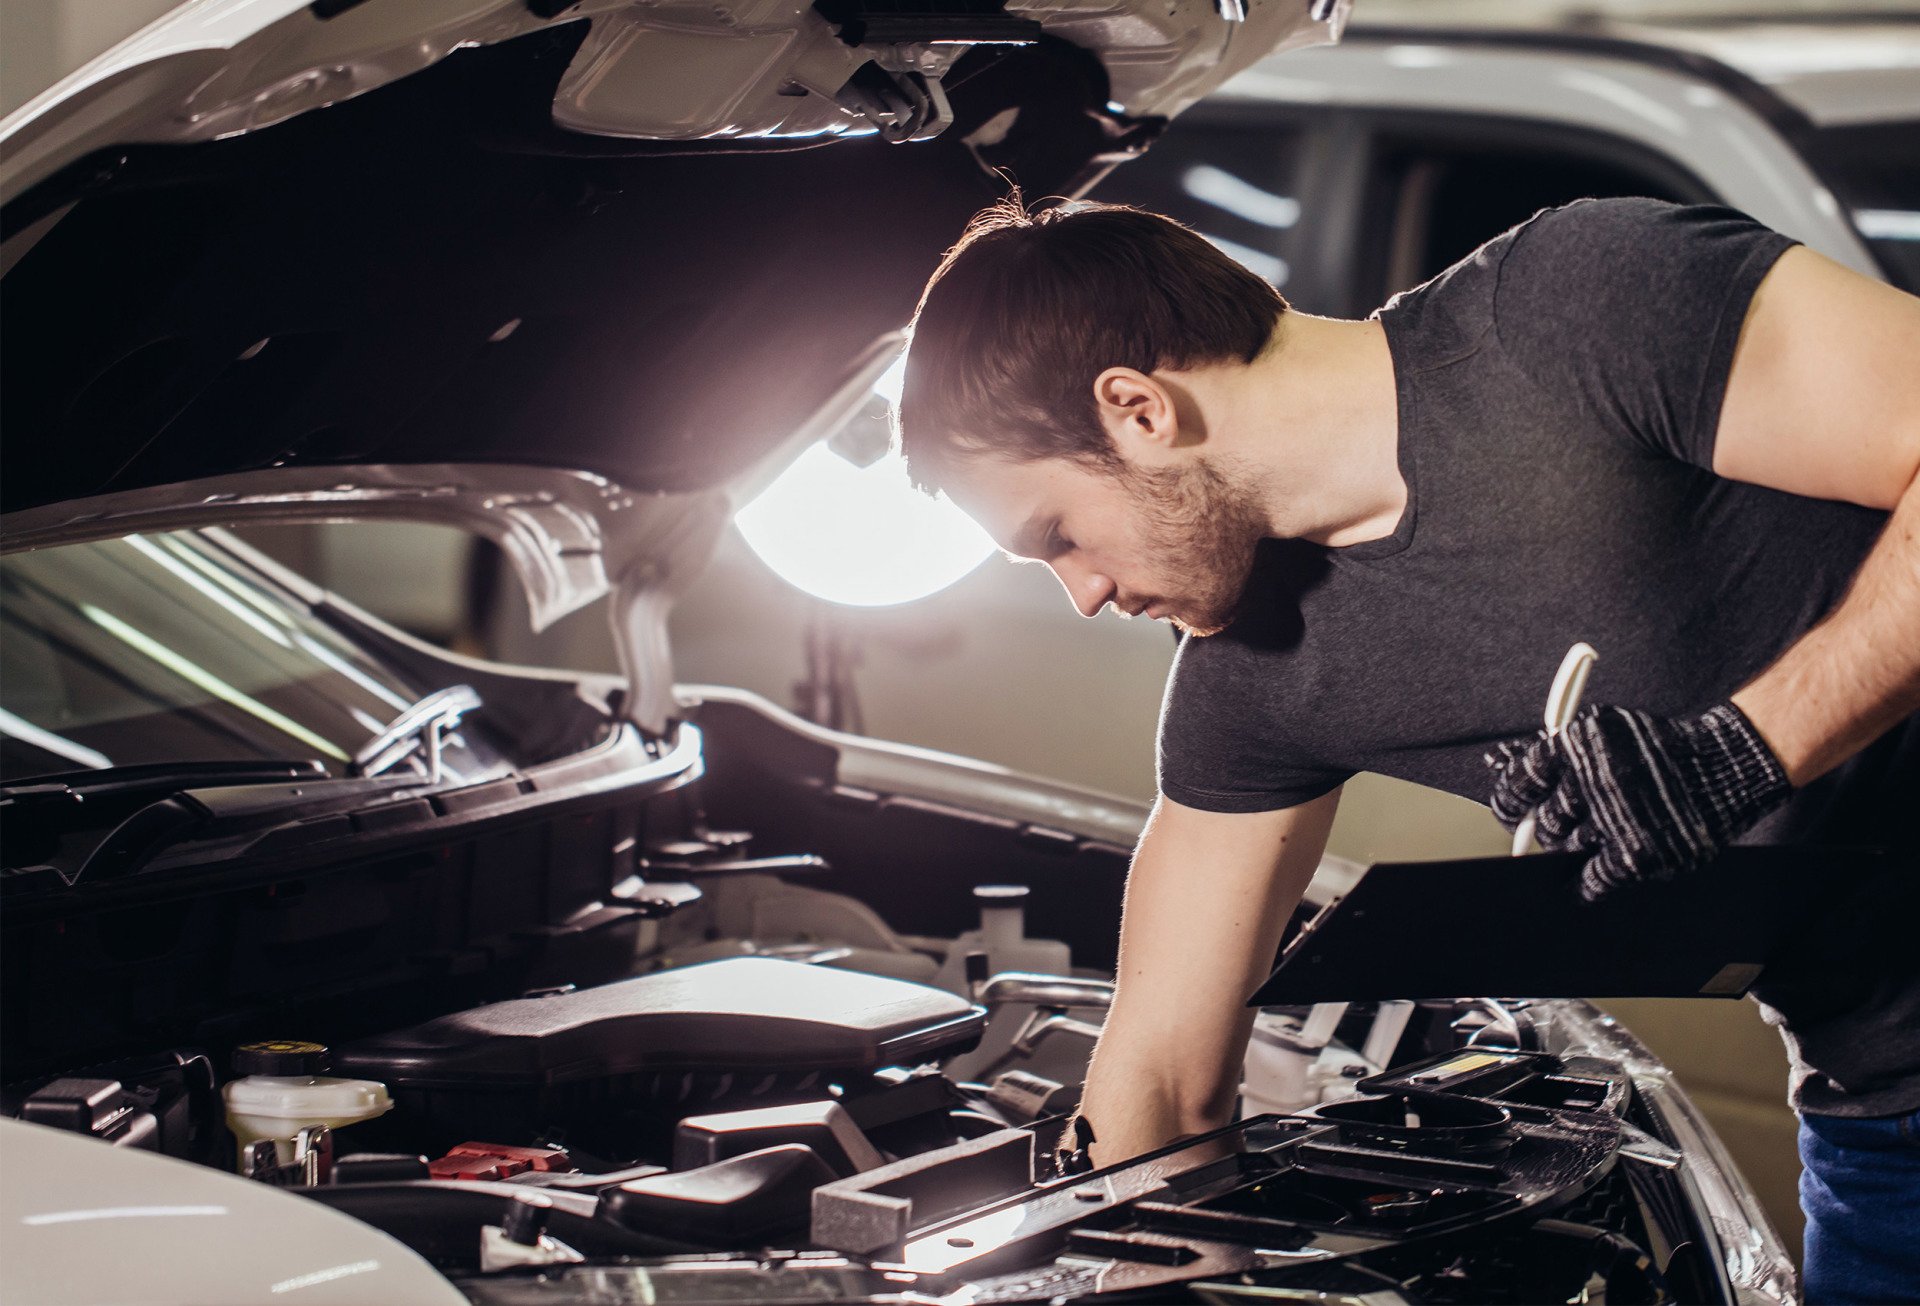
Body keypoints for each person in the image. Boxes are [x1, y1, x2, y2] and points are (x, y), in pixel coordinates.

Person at [895, 194, 1920, 1303]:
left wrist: (1748, 747)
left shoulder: (1579, 304)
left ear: (1138, 409)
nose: (1082, 594)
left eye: (1059, 536)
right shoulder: (1250, 676)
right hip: (1884, 1118)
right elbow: (1159, 1078)